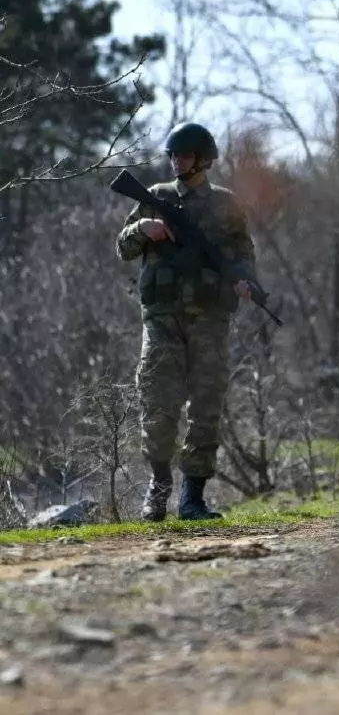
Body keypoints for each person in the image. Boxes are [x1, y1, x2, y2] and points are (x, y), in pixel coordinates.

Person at [116, 122, 257, 521]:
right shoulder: (155, 198)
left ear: (204, 160)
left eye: (185, 155)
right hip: (161, 320)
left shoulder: (227, 205)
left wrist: (247, 282)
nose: (177, 161)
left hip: (210, 320)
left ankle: (192, 498)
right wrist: (142, 228)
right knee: (158, 404)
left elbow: (244, 254)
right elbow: (123, 249)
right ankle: (158, 490)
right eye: (173, 156)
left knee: (207, 407)